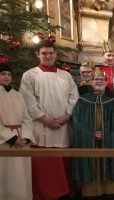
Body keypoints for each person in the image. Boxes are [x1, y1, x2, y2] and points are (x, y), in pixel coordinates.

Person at [20, 40, 79, 200]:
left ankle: (64, 194)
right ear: (37, 54)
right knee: (43, 166)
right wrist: (45, 120)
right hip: (40, 127)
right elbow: (28, 101)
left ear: (55, 54)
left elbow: (74, 97)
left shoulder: (65, 76)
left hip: (63, 126)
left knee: (61, 165)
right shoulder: (30, 75)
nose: (48, 56)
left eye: (51, 53)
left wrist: (67, 116)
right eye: (44, 53)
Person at [72, 67, 114, 199]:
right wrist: (91, 134)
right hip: (90, 142)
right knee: (92, 165)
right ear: (91, 82)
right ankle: (92, 193)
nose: (98, 81)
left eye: (101, 79)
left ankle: (109, 193)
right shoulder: (82, 100)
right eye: (96, 79)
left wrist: (107, 134)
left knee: (109, 165)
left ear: (106, 82)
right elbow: (77, 122)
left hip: (110, 142)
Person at [0, 63, 35, 200]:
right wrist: (12, 139)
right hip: (1, 142)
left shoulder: (18, 95)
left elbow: (27, 118)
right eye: (3, 74)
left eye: (9, 74)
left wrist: (25, 137)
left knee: (21, 176)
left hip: (21, 141)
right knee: (1, 176)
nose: (7, 77)